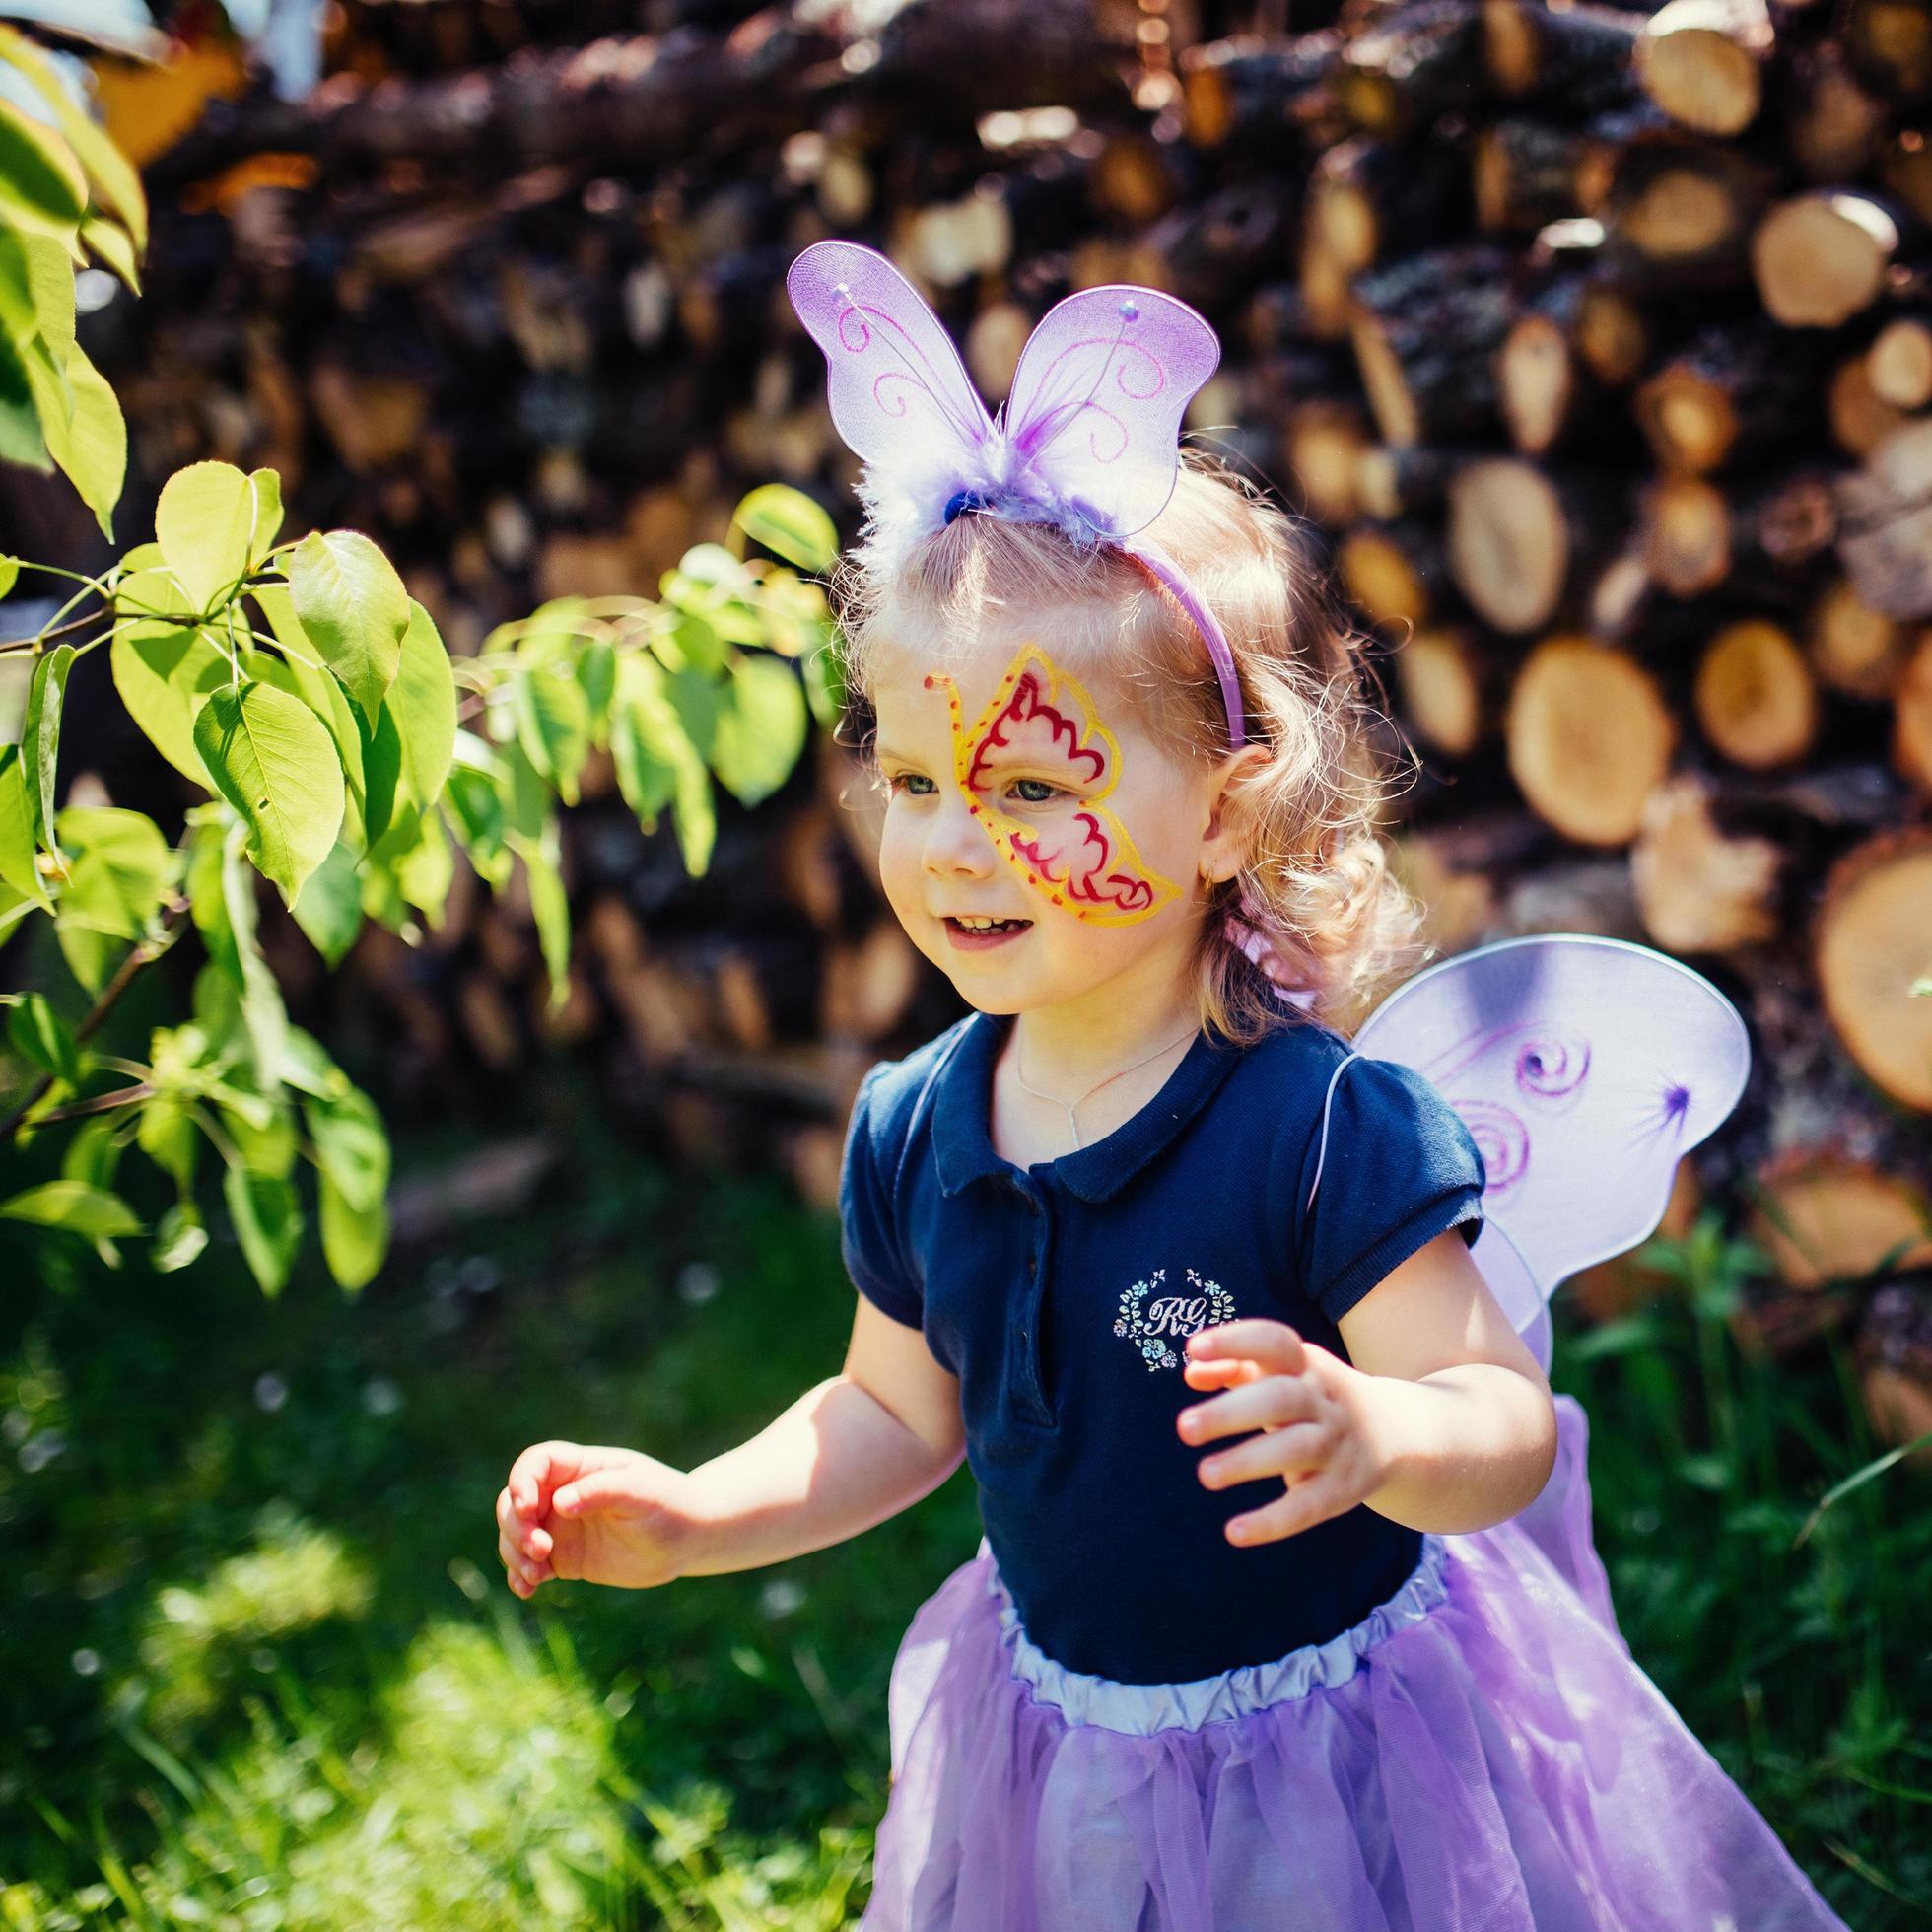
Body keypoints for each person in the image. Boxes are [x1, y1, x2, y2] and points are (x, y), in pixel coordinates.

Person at [495, 242, 1848, 1929]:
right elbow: (895, 1415)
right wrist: (698, 1515)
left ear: (1223, 815)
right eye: (910, 776)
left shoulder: (1318, 1132)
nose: (950, 842)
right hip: (1068, 1740)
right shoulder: (915, 1132)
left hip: (1337, 1756)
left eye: (1034, 780)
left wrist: (1378, 1430)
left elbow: (1498, 1429)